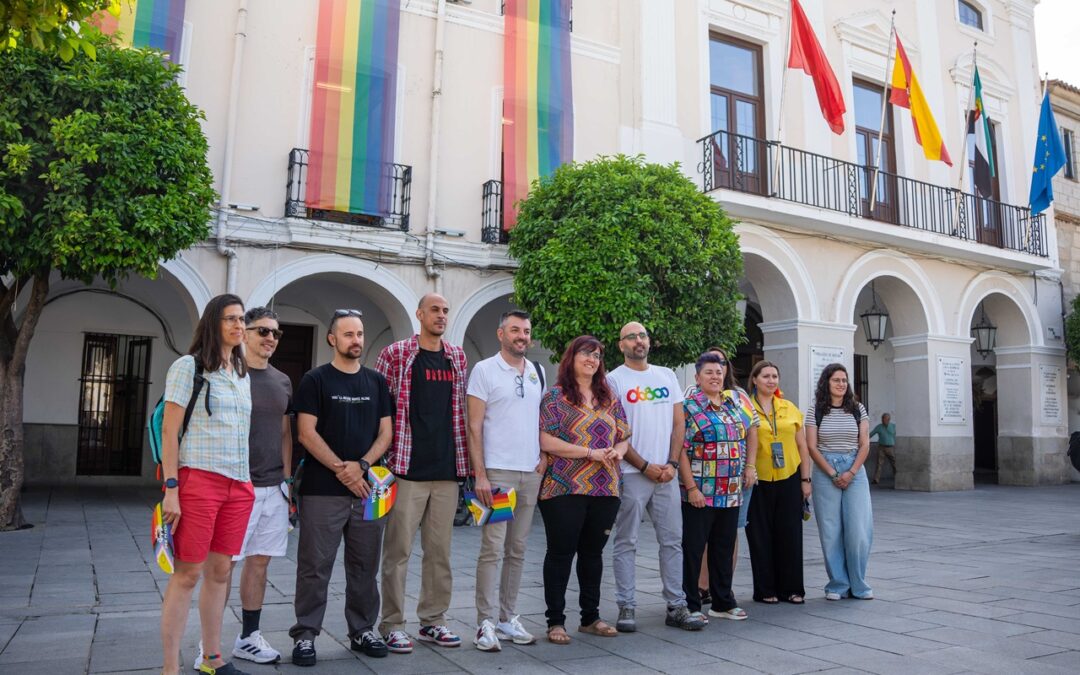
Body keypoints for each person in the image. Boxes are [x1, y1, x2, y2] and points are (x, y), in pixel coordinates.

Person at [288, 309, 394, 665]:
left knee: (365, 566)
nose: (356, 341)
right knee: (314, 566)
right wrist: (342, 469)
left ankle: (363, 630)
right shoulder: (315, 380)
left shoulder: (377, 382)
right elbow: (305, 433)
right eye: (348, 334)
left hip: (369, 490)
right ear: (332, 338)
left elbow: (386, 433)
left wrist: (362, 466)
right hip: (322, 489)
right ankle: (305, 635)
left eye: (360, 334)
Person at [159, 294, 254, 675]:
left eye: (241, 319)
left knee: (220, 573)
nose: (238, 326)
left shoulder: (241, 374)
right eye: (230, 319)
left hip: (238, 484)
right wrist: (171, 488)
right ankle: (170, 668)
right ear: (213, 323)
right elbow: (169, 430)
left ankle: (212, 659)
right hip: (198, 479)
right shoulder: (189, 366)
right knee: (187, 575)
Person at [376, 293, 469, 653]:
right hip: (406, 467)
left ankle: (433, 620)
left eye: (446, 310)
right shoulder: (397, 354)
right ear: (419, 314)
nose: (441, 315)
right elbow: (381, 410)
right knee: (397, 551)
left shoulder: (457, 357)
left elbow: (460, 411)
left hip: (447, 468)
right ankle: (393, 623)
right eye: (435, 310)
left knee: (439, 552)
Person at [207, 307, 293, 668]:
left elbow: (286, 433)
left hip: (275, 488)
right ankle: (208, 645)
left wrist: (287, 484)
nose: (270, 338)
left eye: (276, 332)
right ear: (245, 334)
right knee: (223, 567)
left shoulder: (283, 380)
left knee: (259, 564)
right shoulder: (226, 375)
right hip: (237, 485)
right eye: (263, 331)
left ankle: (248, 639)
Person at [608, 322, 704, 633]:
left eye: (643, 335)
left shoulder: (666, 375)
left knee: (672, 541)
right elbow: (616, 431)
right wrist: (645, 464)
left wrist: (673, 464)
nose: (638, 341)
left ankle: (676, 605)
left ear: (649, 341)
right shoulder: (613, 380)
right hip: (631, 473)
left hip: (667, 473)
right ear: (621, 345)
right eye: (631, 337)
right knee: (626, 541)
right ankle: (627, 605)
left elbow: (679, 423)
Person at [538, 336, 629, 645]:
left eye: (598, 354)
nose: (592, 358)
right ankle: (556, 622)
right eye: (586, 353)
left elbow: (625, 436)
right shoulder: (555, 397)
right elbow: (545, 441)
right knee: (561, 553)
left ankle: (590, 617)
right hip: (564, 485)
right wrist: (590, 453)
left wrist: (618, 450)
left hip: (606, 487)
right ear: (572, 357)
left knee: (593, 554)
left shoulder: (609, 397)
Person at [467, 311, 546, 651]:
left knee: (517, 549)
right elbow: (474, 426)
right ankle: (485, 623)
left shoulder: (537, 372)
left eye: (526, 331)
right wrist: (480, 474)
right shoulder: (484, 370)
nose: (521, 336)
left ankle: (507, 617)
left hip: (530, 473)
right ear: (501, 334)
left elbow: (541, 421)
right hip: (497, 475)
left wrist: (543, 459)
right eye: (515, 330)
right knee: (492, 549)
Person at [677, 351, 757, 622]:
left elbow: (748, 435)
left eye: (719, 372)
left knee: (724, 548)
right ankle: (690, 604)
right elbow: (680, 451)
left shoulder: (733, 404)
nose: (715, 376)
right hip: (700, 492)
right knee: (694, 549)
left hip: (730, 492)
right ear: (697, 377)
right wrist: (691, 488)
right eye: (709, 372)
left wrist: (749, 468)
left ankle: (723, 602)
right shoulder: (688, 406)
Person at [745, 361, 811, 605]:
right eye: (766, 376)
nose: (771, 380)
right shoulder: (745, 407)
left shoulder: (789, 407)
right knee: (759, 534)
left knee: (790, 533)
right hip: (757, 479)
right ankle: (765, 589)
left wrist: (806, 479)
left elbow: (802, 445)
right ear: (754, 380)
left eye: (775, 376)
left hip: (789, 477)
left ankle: (792, 589)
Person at [805, 363, 873, 601]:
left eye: (844, 380)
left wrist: (851, 472)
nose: (842, 384)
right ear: (827, 383)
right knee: (831, 530)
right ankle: (837, 584)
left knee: (858, 530)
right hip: (825, 470)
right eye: (836, 380)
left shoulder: (858, 409)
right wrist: (833, 474)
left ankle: (858, 583)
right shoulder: (815, 410)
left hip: (855, 468)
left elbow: (865, 444)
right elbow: (811, 447)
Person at [869, 413, 896, 484]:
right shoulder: (879, 427)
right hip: (881, 447)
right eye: (882, 418)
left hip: (890, 447)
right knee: (879, 464)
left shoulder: (893, 426)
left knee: (894, 463)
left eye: (885, 419)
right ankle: (876, 479)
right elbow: (871, 434)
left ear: (889, 419)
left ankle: (897, 477)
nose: (883, 420)